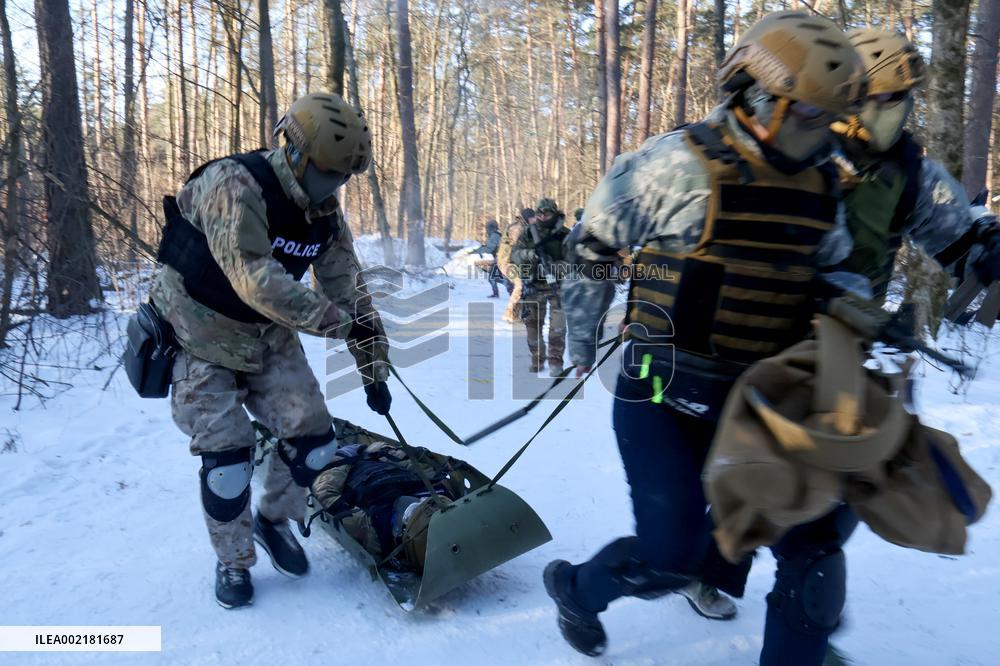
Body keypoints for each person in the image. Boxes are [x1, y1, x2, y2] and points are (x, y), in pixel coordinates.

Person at [545, 12, 870, 663]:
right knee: (671, 557)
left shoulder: (823, 185)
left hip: (766, 402)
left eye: (827, 120)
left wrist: (851, 324)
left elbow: (836, 267)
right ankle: (578, 588)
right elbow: (592, 246)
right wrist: (581, 341)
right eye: (808, 114)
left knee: (815, 560)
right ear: (755, 94)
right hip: (665, 394)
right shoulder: (673, 166)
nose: (820, 134)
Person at [151, 92, 392, 609]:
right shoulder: (233, 185)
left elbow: (347, 286)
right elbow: (254, 278)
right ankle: (233, 561)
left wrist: (374, 366)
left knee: (315, 441)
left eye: (343, 178)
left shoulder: (323, 213)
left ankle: (274, 519)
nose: (334, 187)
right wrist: (331, 321)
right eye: (328, 173)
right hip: (199, 336)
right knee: (227, 461)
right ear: (296, 154)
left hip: (265, 337)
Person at [832, 28, 1000, 301]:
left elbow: (960, 241)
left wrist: (989, 249)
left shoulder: (909, 172)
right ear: (850, 95)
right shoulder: (795, 151)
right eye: (887, 96)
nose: (901, 106)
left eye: (904, 94)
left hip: (845, 339)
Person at [510, 198, 570, 375]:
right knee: (532, 327)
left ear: (554, 214)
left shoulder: (565, 235)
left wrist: (554, 266)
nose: (543, 217)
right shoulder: (528, 233)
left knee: (557, 329)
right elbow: (515, 256)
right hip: (533, 286)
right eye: (539, 214)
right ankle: (537, 359)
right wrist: (531, 254)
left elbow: (573, 262)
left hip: (558, 286)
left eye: (547, 214)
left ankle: (555, 362)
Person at [498, 208, 534, 323]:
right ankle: (509, 313)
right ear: (527, 218)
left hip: (515, 262)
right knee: (520, 284)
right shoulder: (517, 228)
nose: (534, 221)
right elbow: (517, 248)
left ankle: (516, 314)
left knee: (526, 284)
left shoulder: (525, 228)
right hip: (507, 262)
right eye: (532, 218)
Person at [474, 219, 504, 298]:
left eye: (487, 228)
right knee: (492, 278)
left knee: (497, 278)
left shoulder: (495, 235)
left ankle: (511, 290)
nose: (486, 230)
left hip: (500, 259)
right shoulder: (496, 235)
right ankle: (496, 293)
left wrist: (478, 251)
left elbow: (489, 249)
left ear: (491, 228)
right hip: (498, 259)